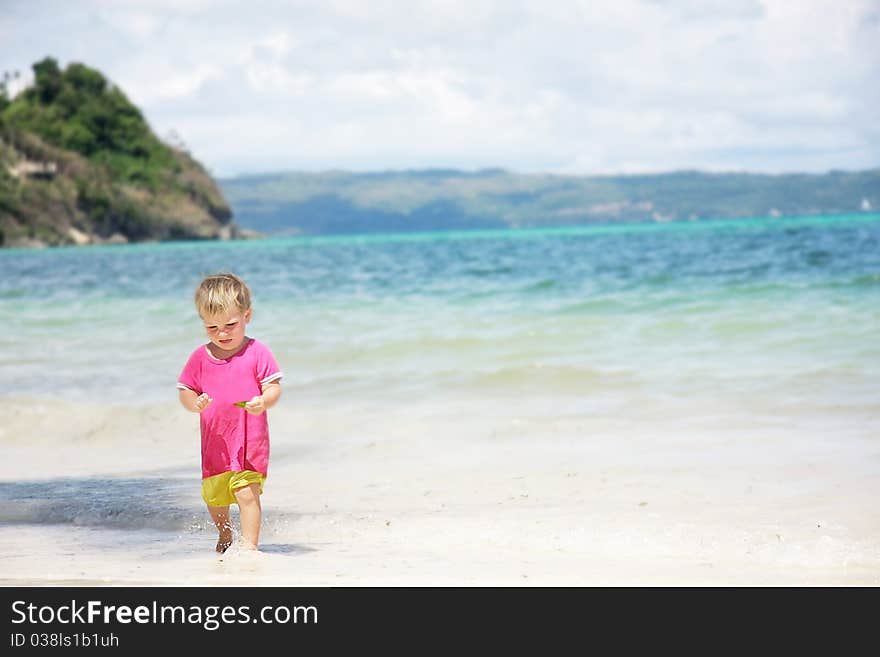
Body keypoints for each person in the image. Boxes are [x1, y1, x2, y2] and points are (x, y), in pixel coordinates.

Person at [177, 272, 282, 553]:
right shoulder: (200, 357)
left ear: (247, 316)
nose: (222, 333)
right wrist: (193, 403)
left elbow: (273, 386)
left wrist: (264, 400)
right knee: (215, 498)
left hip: (249, 443)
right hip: (216, 445)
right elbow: (185, 389)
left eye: (230, 325)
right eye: (212, 327)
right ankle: (225, 534)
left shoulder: (257, 352)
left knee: (247, 493)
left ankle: (250, 548)